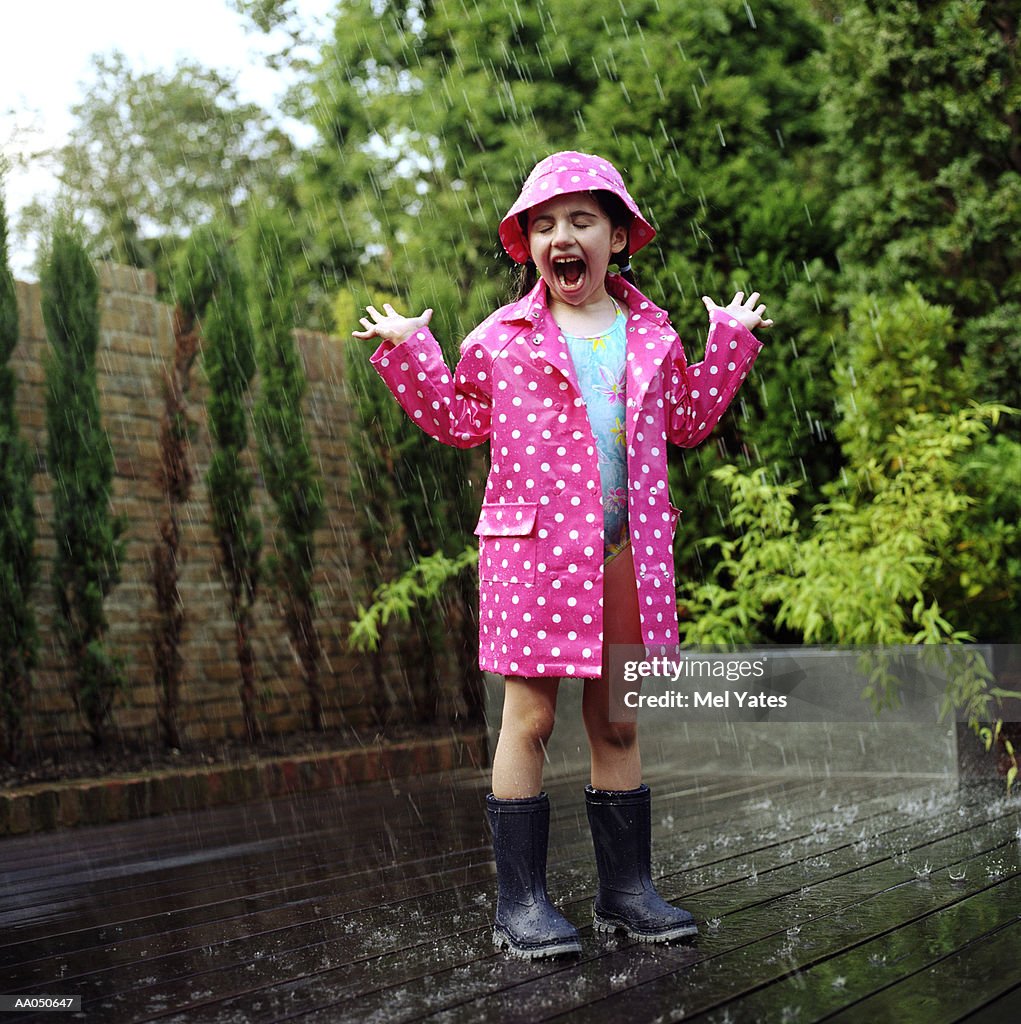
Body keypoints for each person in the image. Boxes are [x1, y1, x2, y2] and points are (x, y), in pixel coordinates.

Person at [354, 151, 771, 959]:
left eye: (580, 220)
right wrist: (409, 348)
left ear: (617, 237)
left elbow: (686, 424)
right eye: (543, 224)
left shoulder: (651, 333)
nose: (560, 236)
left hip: (626, 551)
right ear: (528, 246)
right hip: (532, 553)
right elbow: (453, 420)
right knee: (531, 716)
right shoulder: (502, 337)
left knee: (616, 719)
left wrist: (729, 340)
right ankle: (521, 903)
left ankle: (625, 893)